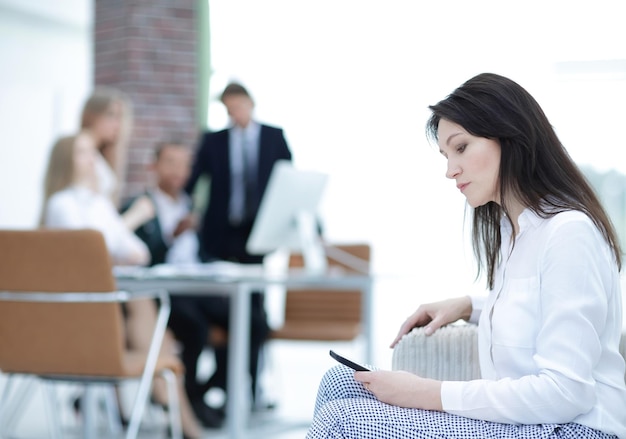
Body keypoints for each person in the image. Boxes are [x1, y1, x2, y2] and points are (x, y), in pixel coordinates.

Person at [306, 73, 626, 439]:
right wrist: (468, 305)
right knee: (340, 382)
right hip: (536, 424)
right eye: (445, 155)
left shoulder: (569, 233)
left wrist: (427, 393)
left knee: (345, 420)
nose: (449, 170)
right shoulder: (515, 231)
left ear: (510, 136)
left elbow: (565, 392)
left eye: (460, 148)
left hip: (574, 430)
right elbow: (543, 302)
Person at [41, 131, 204, 439]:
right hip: (74, 317)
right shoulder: (61, 205)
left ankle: (170, 402)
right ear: (66, 162)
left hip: (107, 308)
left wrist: (112, 240)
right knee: (144, 310)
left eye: (93, 152)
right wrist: (128, 221)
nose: (92, 159)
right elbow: (89, 251)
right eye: (82, 153)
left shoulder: (98, 205)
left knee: (149, 314)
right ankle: (176, 411)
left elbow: (137, 253)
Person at [184, 82, 292, 408]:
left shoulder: (274, 136)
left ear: (250, 103)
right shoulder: (214, 140)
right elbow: (193, 182)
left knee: (254, 310)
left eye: (238, 107)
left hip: (256, 238)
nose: (235, 114)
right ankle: (226, 387)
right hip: (220, 235)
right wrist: (186, 212)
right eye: (228, 110)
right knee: (226, 312)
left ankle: (252, 389)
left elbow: (288, 183)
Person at [125, 141, 224, 428]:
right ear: (153, 166)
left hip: (198, 284)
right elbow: (137, 259)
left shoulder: (191, 203)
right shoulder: (141, 206)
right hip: (166, 291)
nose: (179, 171)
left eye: (184, 164)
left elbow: (200, 251)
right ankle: (186, 401)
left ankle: (199, 392)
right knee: (194, 328)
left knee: (251, 321)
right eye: (171, 162)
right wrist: (171, 237)